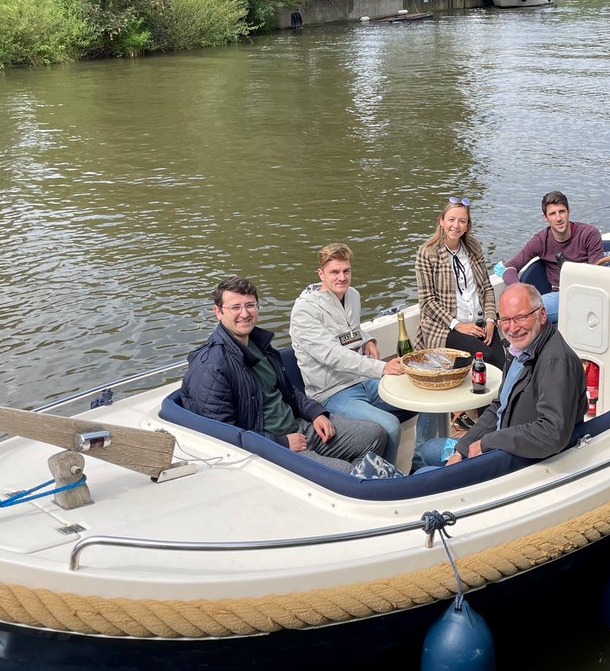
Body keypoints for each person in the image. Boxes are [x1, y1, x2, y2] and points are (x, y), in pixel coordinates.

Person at [182, 276, 387, 472]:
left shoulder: (259, 344)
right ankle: (346, 483)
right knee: (345, 472)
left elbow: (288, 391)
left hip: (299, 427)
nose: (244, 313)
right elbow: (223, 436)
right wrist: (281, 442)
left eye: (250, 305)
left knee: (375, 434)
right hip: (272, 447)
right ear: (218, 312)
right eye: (235, 307)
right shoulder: (210, 366)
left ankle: (348, 482)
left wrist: (315, 413)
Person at [412, 284, 587, 470]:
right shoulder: (520, 351)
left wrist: (487, 443)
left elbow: (551, 433)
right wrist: (462, 449)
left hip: (517, 461)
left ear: (542, 315)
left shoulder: (555, 362)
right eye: (505, 320)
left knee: (425, 471)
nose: (512, 328)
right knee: (426, 450)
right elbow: (499, 406)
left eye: (521, 318)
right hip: (501, 444)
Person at [290, 243, 406, 464]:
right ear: (321, 274)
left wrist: (367, 338)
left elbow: (348, 328)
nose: (342, 277)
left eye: (346, 271)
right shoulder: (304, 311)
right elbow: (333, 354)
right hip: (333, 392)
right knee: (389, 425)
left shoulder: (352, 295)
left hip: (362, 379)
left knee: (424, 394)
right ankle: (387, 482)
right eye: (334, 272)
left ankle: (421, 459)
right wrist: (382, 367)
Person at [414, 197, 505, 370]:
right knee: (487, 357)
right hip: (447, 328)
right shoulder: (428, 252)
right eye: (451, 219)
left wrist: (491, 320)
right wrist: (459, 325)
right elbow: (427, 302)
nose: (456, 225)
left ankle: (502, 398)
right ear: (441, 221)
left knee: (503, 364)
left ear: (467, 226)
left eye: (462, 221)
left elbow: (486, 288)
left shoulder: (473, 247)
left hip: (480, 325)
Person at [501, 191, 604, 321]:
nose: (558, 218)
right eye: (552, 214)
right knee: (529, 311)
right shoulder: (540, 240)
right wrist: (520, 290)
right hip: (560, 295)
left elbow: (600, 275)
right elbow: (509, 267)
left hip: (590, 292)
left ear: (568, 212)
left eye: (561, 212)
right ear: (545, 217)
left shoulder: (589, 234)